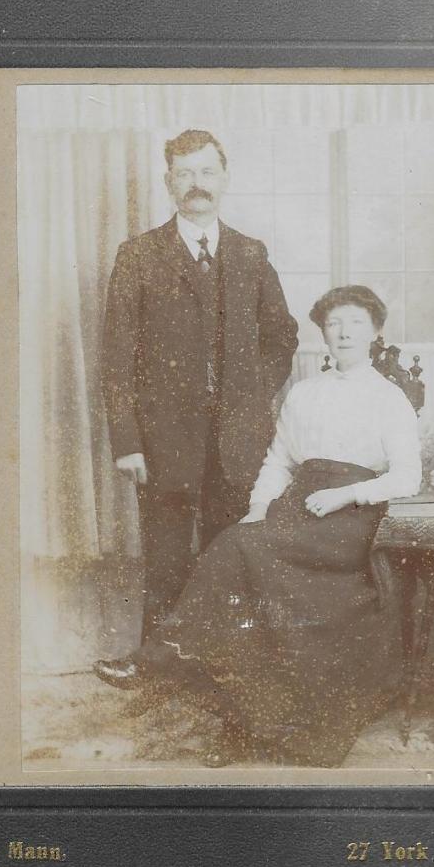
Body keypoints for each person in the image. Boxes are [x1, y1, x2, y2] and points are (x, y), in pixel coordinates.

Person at [97, 285, 422, 768]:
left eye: (356, 323)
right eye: (334, 323)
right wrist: (258, 507)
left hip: (348, 520)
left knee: (239, 552)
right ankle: (240, 723)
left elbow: (408, 477)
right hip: (297, 509)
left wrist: (346, 494)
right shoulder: (305, 394)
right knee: (241, 550)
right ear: (323, 333)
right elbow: (278, 461)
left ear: (375, 332)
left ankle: (158, 660)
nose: (344, 332)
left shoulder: (389, 398)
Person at [101, 129, 298, 640]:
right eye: (185, 173)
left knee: (229, 558)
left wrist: (250, 396)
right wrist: (127, 442)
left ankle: (223, 666)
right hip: (163, 442)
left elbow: (282, 336)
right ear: (168, 182)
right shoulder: (138, 256)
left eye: (207, 171)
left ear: (225, 178)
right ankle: (159, 664)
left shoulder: (250, 254)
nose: (197, 183)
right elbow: (116, 359)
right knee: (165, 560)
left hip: (238, 441)